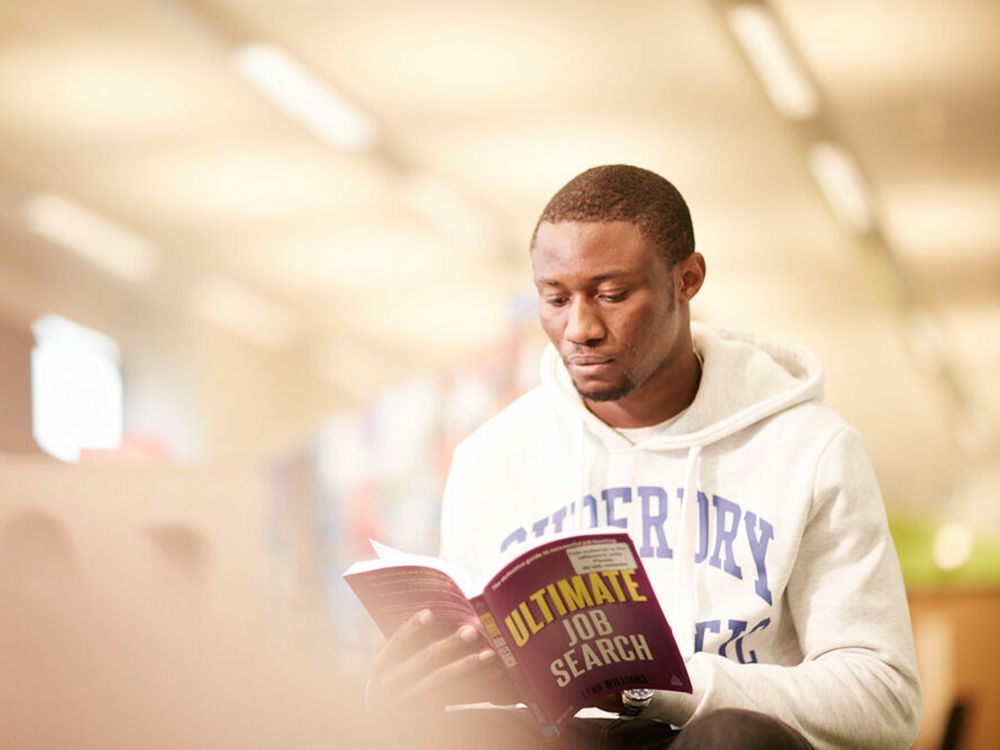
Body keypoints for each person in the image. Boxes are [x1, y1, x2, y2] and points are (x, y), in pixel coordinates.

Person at [368, 165, 922, 749]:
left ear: (687, 279)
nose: (579, 328)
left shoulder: (809, 449)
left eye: (611, 295)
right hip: (559, 738)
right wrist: (411, 696)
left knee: (732, 738)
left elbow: (884, 700)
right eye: (554, 298)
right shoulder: (492, 458)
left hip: (711, 737)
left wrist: (653, 688)